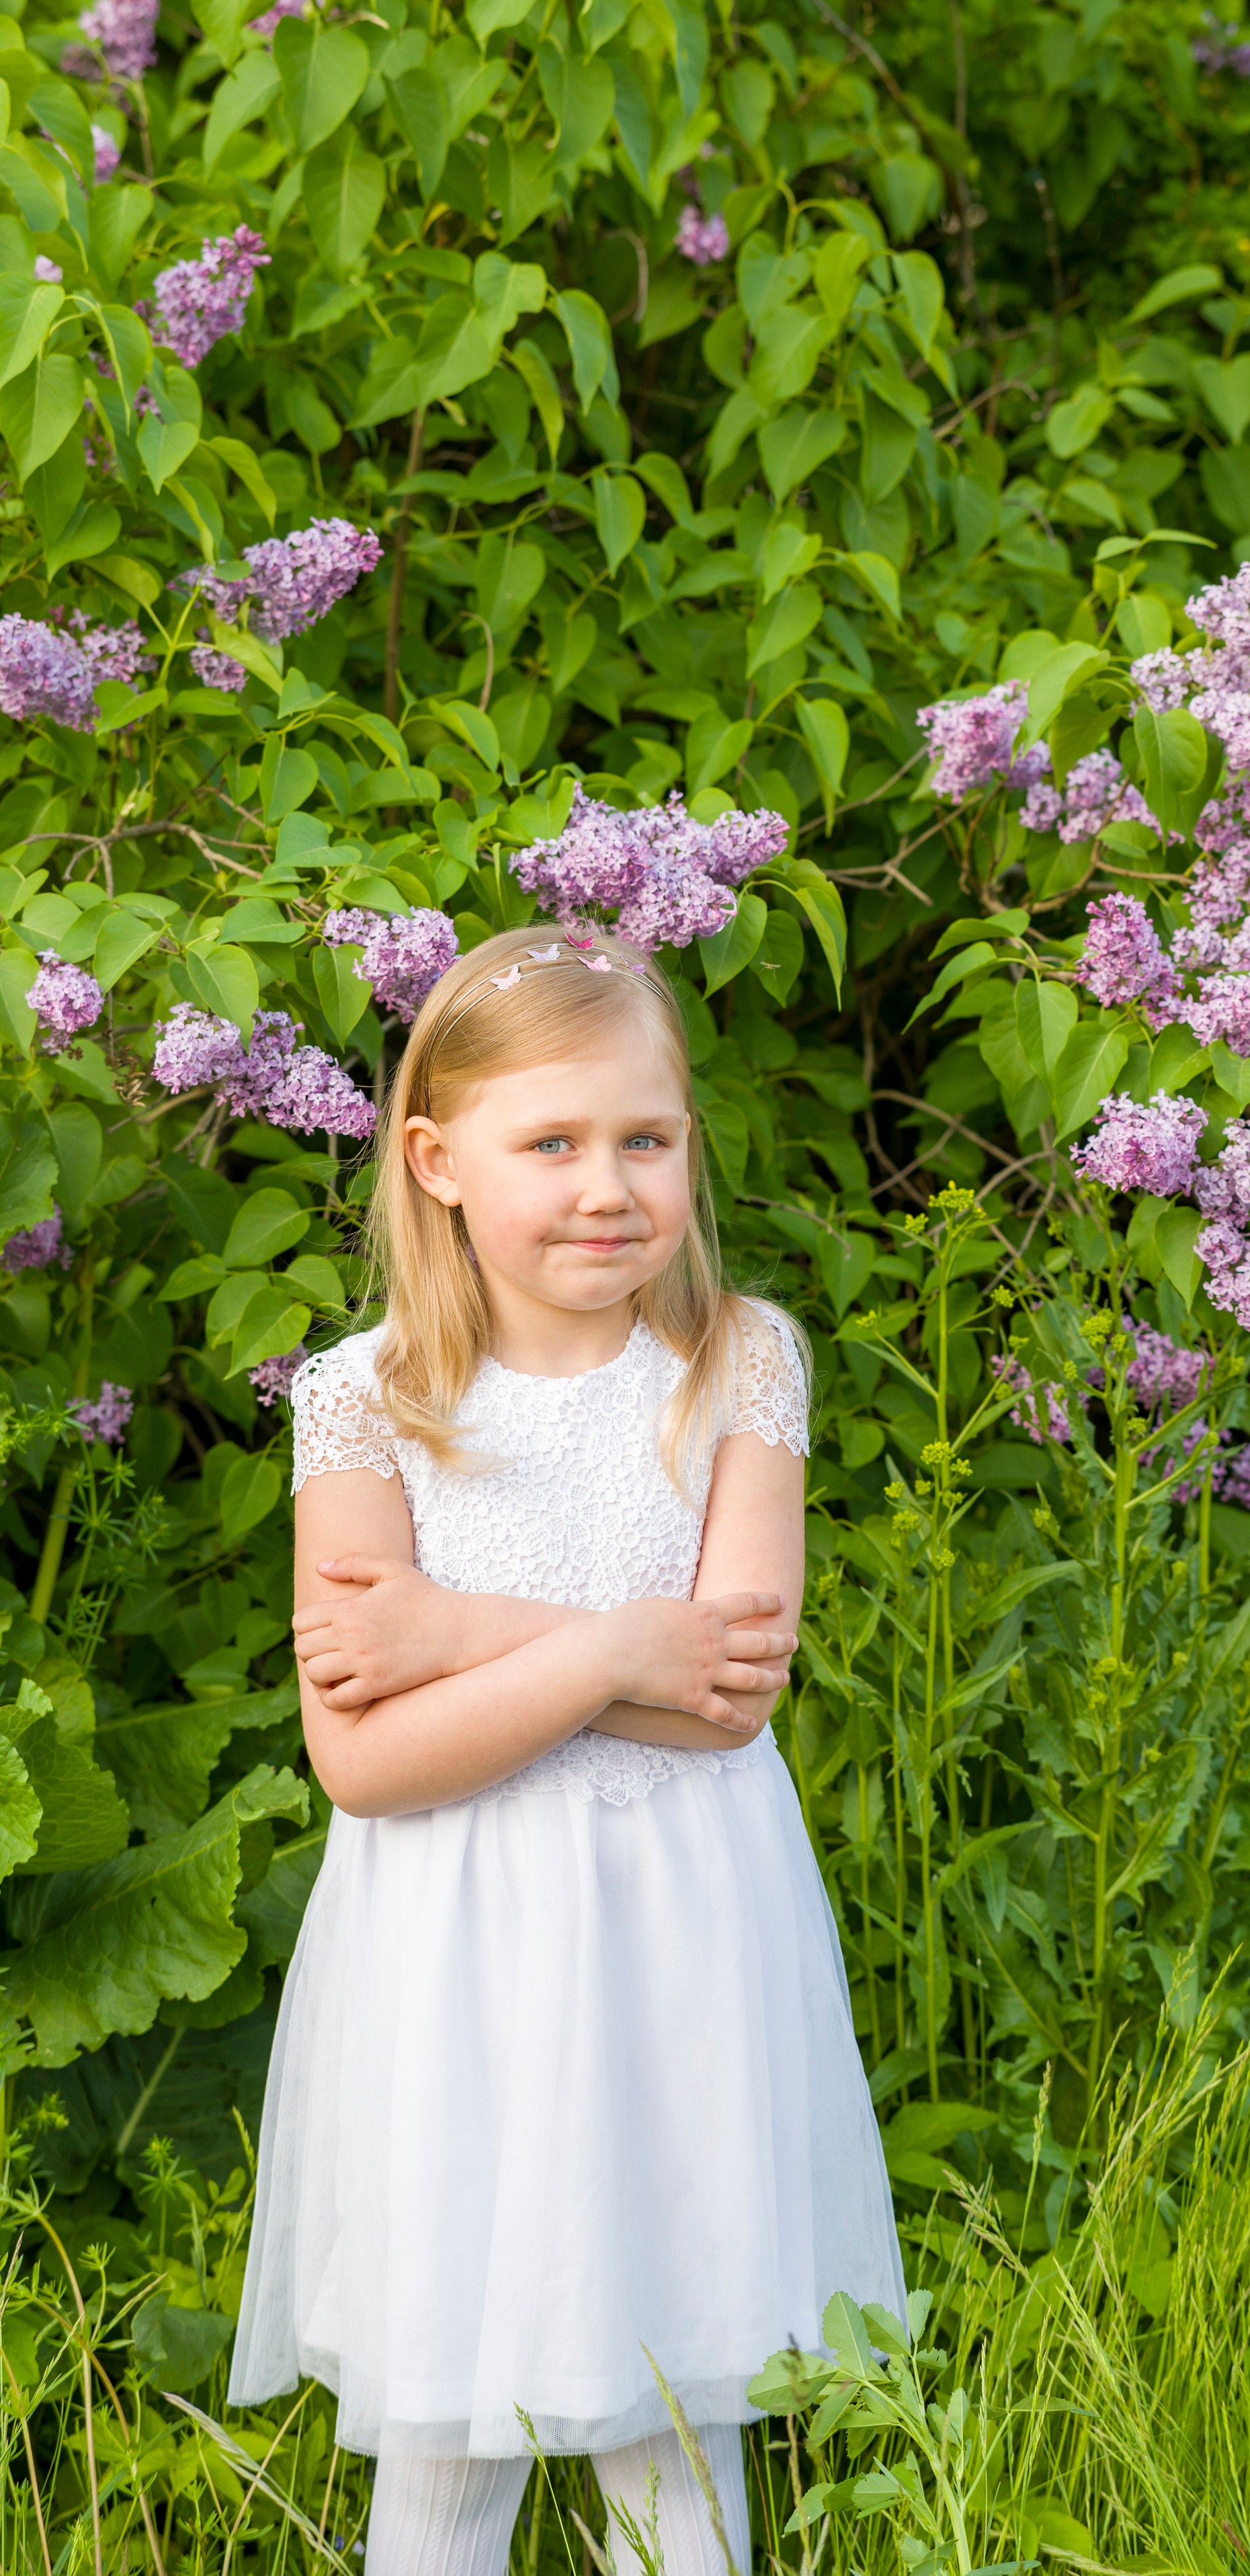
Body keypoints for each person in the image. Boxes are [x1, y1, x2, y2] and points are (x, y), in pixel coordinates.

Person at [229, 925, 905, 2576]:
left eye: (646, 1140)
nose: (607, 1186)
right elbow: (369, 1766)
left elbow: (725, 1690)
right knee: (454, 2422)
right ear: (436, 1161)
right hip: (458, 1955)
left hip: (684, 1935)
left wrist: (453, 1631)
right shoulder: (362, 1402)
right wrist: (617, 1641)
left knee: (676, 2416)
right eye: (553, 1143)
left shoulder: (737, 1363)